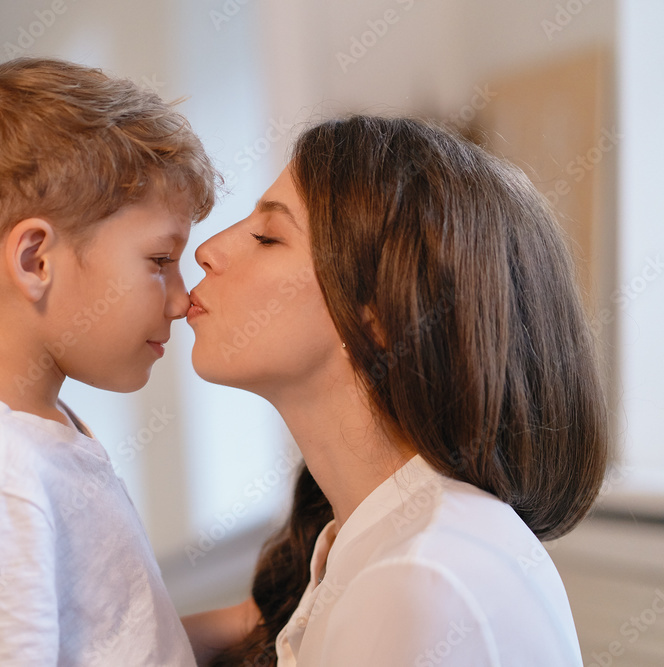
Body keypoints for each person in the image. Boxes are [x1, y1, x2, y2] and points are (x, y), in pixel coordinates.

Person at [182, 115, 607, 666]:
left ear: (380, 315)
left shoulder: (417, 580)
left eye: (268, 237)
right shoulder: (363, 542)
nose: (206, 250)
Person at [0, 52, 217, 665]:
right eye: (160, 262)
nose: (181, 299)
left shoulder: (37, 431)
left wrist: (256, 617)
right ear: (36, 260)